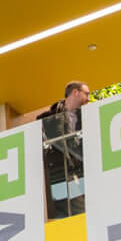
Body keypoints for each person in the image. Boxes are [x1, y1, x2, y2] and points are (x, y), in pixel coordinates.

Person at [39, 80, 90, 218]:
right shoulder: (47, 119)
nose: (89, 99)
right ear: (75, 92)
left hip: (79, 173)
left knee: (81, 211)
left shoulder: (87, 117)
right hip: (59, 174)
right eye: (86, 94)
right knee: (74, 213)